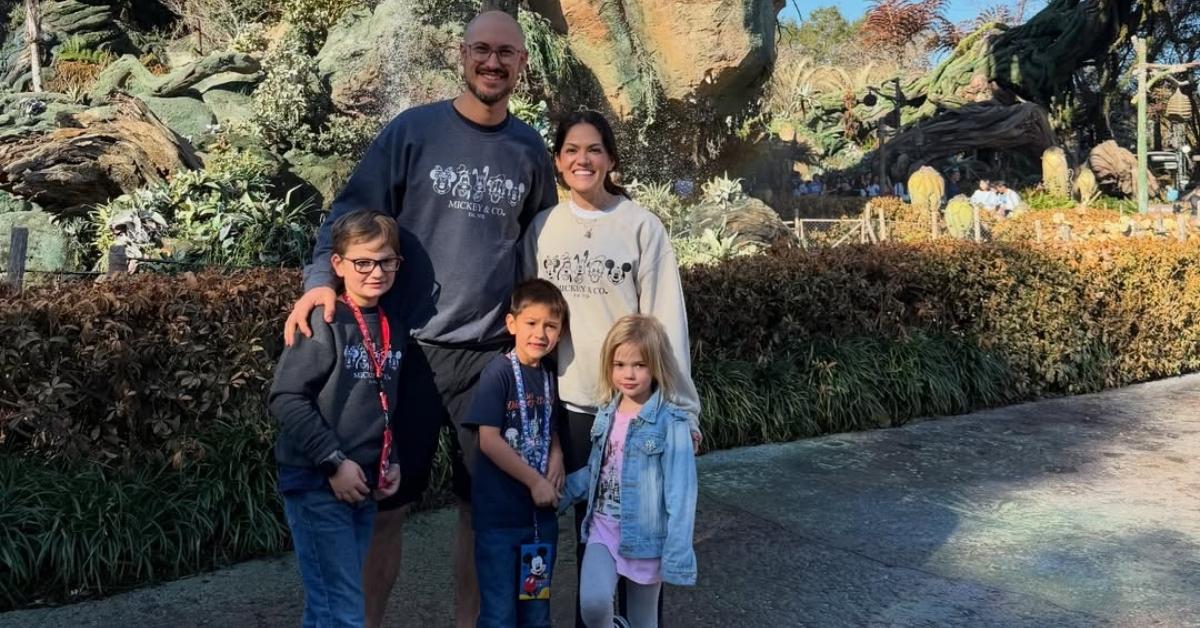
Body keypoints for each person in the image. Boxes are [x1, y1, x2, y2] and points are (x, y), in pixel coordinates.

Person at [281, 11, 559, 628]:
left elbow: (543, 248)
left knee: (482, 510)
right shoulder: (413, 131)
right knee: (384, 505)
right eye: (481, 49)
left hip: (487, 357)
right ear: (462, 54)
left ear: (522, 63)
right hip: (403, 351)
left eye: (505, 53)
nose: (492, 62)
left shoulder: (529, 149)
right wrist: (320, 281)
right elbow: (350, 213)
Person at [520, 110, 701, 628]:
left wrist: (682, 410)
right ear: (558, 161)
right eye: (572, 150)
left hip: (631, 409)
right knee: (589, 537)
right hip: (567, 405)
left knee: (642, 535)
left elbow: (666, 323)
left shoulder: (640, 226)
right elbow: (529, 318)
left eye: (594, 149)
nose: (583, 160)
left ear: (611, 158)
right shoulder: (543, 228)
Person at [270, 209, 404, 628]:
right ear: (338, 264)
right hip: (319, 483)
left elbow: (382, 402)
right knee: (343, 612)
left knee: (330, 607)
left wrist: (390, 458)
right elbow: (286, 398)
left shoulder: (391, 325)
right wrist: (333, 461)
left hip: (361, 484)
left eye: (386, 261)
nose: (376, 272)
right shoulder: (323, 319)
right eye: (362, 262)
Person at [561, 315, 699, 628]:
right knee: (593, 605)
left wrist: (677, 552)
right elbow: (598, 470)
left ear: (656, 366)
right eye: (619, 364)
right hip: (603, 528)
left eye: (639, 365)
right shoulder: (606, 413)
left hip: (647, 538)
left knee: (644, 621)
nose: (629, 374)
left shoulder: (672, 423)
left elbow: (681, 493)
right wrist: (560, 493)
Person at [462, 279, 567, 628]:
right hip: (500, 522)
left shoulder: (550, 375)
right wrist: (535, 481)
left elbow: (549, 425)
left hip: (539, 524)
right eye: (531, 323)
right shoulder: (499, 373)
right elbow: (489, 440)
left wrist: (557, 455)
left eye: (550, 326)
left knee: (536, 614)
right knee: (499, 614)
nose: (540, 333)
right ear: (512, 324)